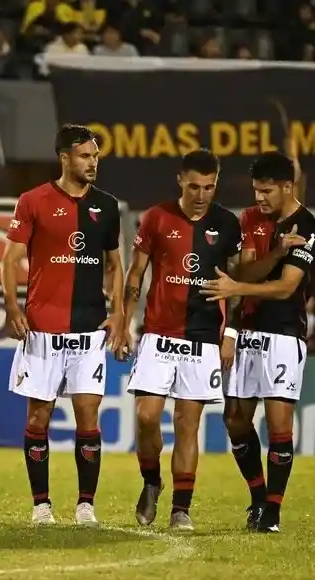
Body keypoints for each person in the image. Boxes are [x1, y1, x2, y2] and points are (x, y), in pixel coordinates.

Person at [2, 124, 125, 527]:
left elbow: (114, 264)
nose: (93, 163)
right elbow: (10, 259)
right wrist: (11, 307)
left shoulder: (106, 206)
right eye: (86, 156)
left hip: (89, 332)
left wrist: (120, 313)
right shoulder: (33, 201)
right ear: (65, 157)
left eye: (95, 157)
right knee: (38, 418)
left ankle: (85, 504)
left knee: (88, 418)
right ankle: (42, 505)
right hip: (42, 330)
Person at [122, 149, 242, 531]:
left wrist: (231, 334)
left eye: (209, 187)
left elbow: (236, 285)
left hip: (204, 338)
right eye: (194, 186)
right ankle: (151, 481)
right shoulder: (156, 218)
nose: (201, 194)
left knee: (188, 423)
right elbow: (136, 273)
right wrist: (125, 322)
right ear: (180, 181)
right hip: (158, 334)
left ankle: (181, 509)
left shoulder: (227, 224)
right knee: (146, 417)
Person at [201, 151, 315, 533]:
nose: (260, 198)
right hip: (248, 332)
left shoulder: (308, 225)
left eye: (266, 191)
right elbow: (246, 269)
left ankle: (274, 511)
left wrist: (239, 285)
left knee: (279, 425)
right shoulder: (250, 218)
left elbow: (286, 288)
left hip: (284, 334)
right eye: (256, 191)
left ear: (288, 186)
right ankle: (257, 497)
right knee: (234, 419)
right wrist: (279, 252)